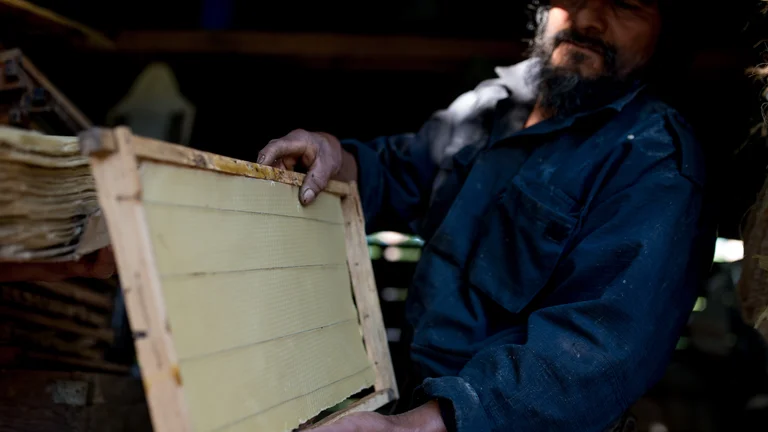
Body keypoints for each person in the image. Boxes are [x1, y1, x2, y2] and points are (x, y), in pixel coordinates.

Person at [258, 0, 715, 431]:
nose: (589, 19)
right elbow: (396, 173)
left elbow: (594, 354)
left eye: (625, 4)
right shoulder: (495, 103)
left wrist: (422, 424)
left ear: (664, 32)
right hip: (406, 403)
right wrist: (332, 156)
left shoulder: (656, 163)